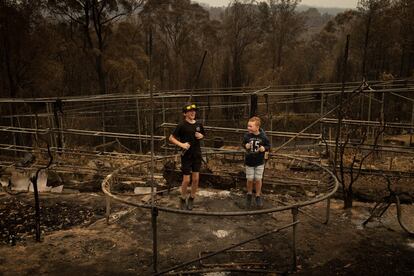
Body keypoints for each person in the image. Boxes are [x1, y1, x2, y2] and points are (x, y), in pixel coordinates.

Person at [169, 103, 205, 210]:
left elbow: (203, 134)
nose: (193, 113)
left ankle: (192, 198)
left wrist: (201, 136)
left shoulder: (199, 124)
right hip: (186, 156)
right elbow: (171, 138)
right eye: (190, 111)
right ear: (185, 114)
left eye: (194, 111)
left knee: (196, 179)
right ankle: (183, 198)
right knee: (186, 180)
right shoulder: (181, 125)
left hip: (197, 154)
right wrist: (182, 144)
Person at [243, 116, 270, 208]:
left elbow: (268, 146)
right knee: (250, 179)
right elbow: (243, 144)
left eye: (250, 126)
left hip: (259, 162)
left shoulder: (263, 136)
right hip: (249, 161)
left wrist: (264, 148)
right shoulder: (247, 136)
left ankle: (258, 195)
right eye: (248, 126)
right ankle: (249, 194)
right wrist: (245, 146)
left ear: (257, 127)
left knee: (258, 179)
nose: (248, 128)